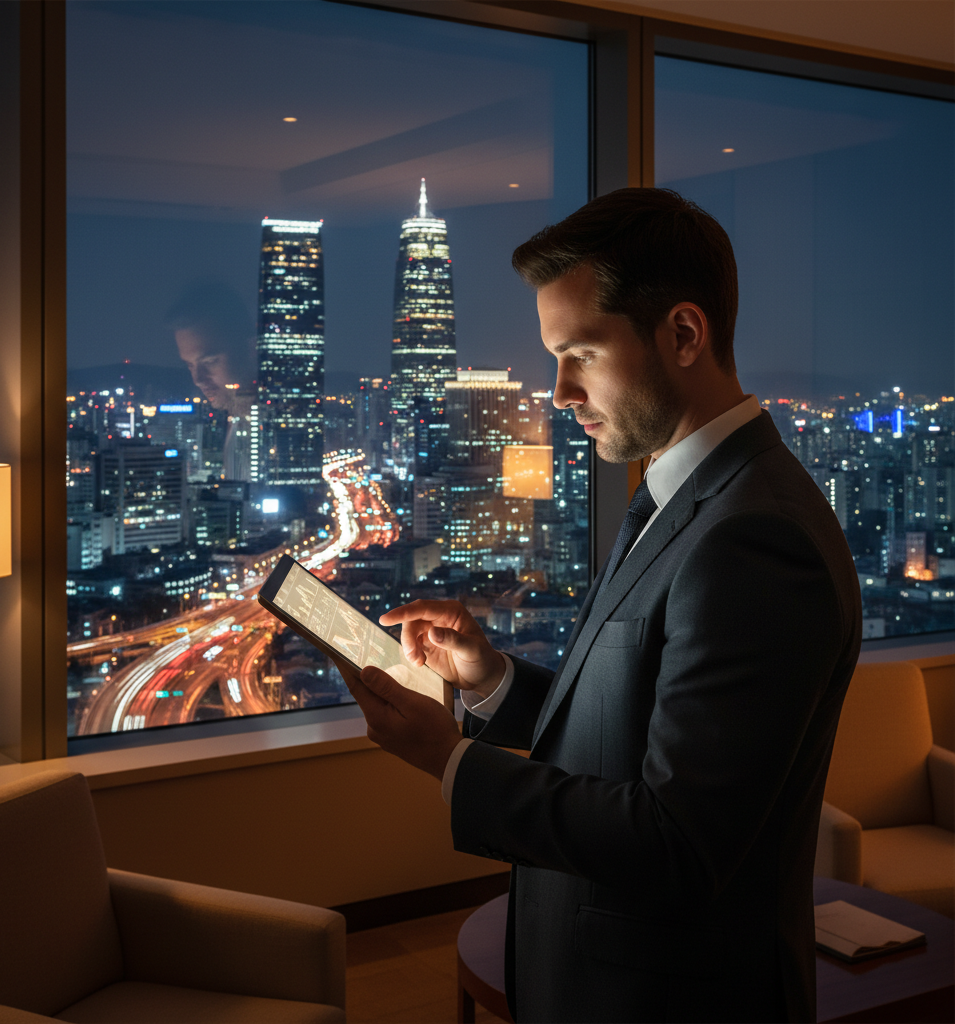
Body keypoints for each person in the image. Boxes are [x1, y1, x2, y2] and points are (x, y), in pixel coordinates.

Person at [336, 188, 862, 1023]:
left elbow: (678, 839)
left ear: (683, 334)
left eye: (579, 352)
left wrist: (451, 760)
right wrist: (491, 681)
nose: (557, 391)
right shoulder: (682, 497)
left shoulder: (759, 538)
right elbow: (635, 730)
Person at [167, 281, 258, 481]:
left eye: (209, 361)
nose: (198, 379)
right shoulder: (237, 418)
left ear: (251, 350)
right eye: (190, 365)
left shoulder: (273, 425)